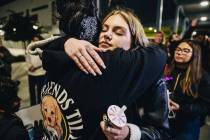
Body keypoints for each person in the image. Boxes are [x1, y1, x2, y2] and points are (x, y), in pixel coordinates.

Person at [28, 4, 167, 140]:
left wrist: (130, 133)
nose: (107, 35)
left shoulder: (144, 74)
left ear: (135, 41)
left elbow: (160, 132)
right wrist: (67, 41)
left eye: (118, 32)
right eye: (104, 30)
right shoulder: (82, 64)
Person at [164, 40, 210, 140]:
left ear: (194, 55)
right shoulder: (168, 70)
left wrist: (181, 108)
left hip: (187, 125)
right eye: (178, 49)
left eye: (186, 51)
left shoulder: (202, 77)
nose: (180, 52)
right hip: (165, 121)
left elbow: (205, 106)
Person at [26, 36, 46, 105]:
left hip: (40, 73)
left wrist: (36, 67)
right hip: (31, 74)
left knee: (40, 91)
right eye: (34, 40)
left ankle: (39, 105)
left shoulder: (42, 49)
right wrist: (30, 66)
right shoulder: (29, 49)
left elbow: (43, 61)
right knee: (32, 91)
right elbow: (27, 58)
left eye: (37, 40)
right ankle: (33, 105)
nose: (35, 42)